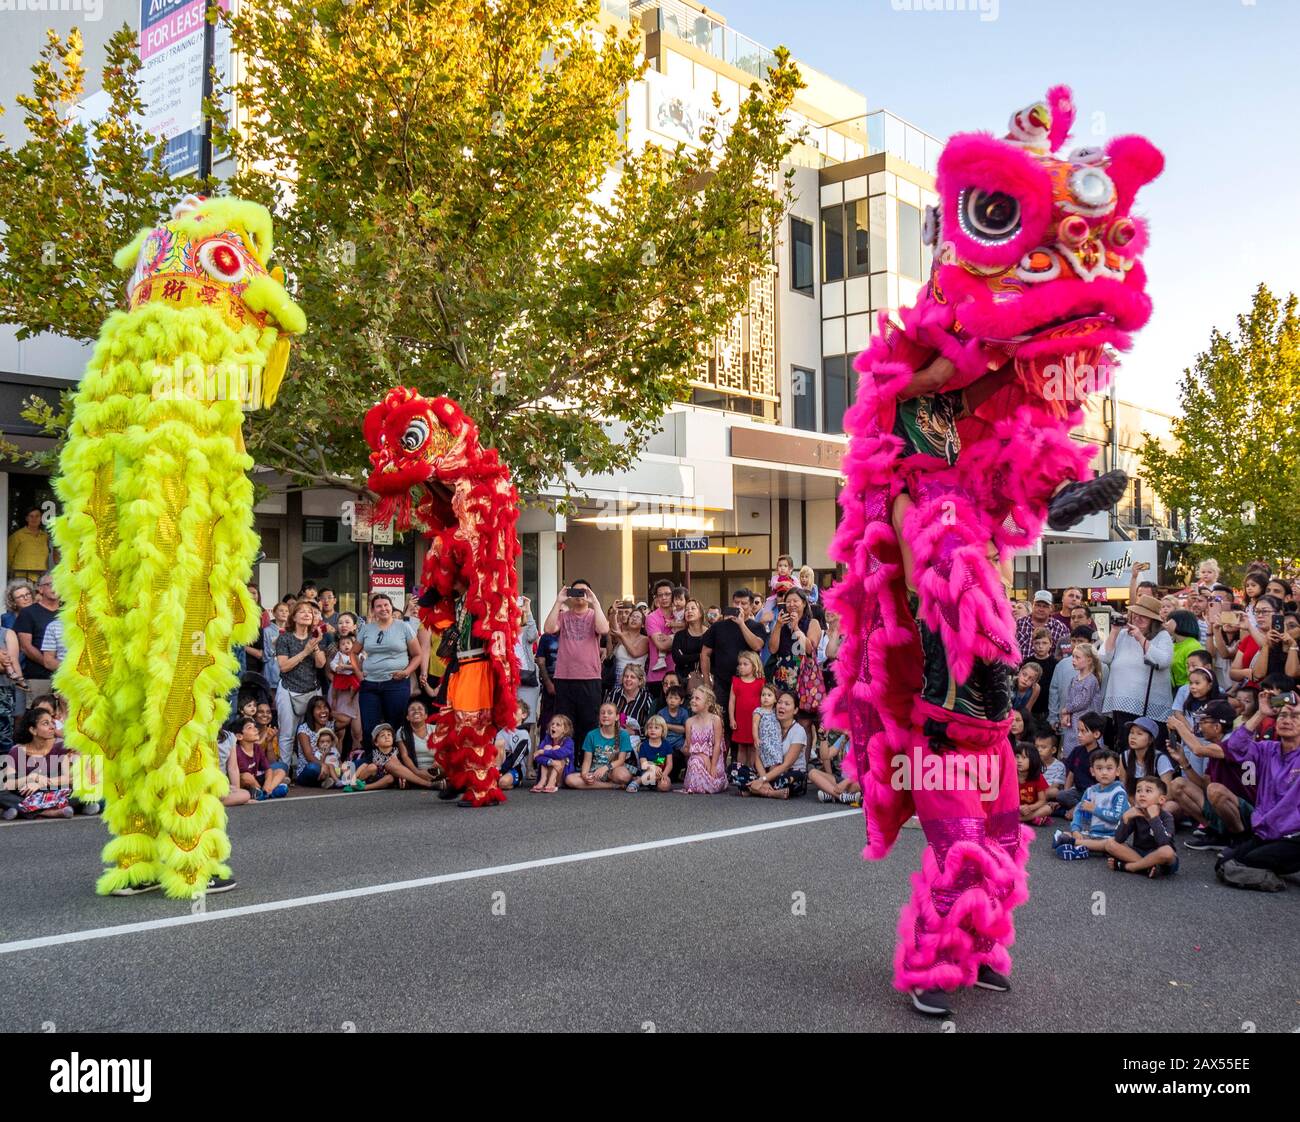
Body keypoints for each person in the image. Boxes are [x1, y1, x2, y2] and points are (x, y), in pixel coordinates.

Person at [1214, 690, 1300, 890]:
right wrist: (1261, 713)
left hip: (1295, 837)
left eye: (1295, 717)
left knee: (1244, 863)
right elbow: (1234, 747)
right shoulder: (1267, 749)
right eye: (1283, 716)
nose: (1287, 720)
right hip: (1267, 832)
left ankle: (1266, 875)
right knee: (1223, 863)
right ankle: (1265, 875)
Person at [1167, 703, 1252, 852]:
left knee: (1215, 790)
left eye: (1204, 722)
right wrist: (1183, 762)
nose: (1200, 725)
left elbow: (1198, 749)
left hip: (1248, 809)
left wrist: (1179, 726)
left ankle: (1241, 838)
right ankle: (1217, 833)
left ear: (1218, 727)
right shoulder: (1216, 746)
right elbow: (1204, 786)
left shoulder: (1232, 742)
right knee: (1178, 784)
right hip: (1226, 804)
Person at [544, 580, 609, 751]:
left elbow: (603, 629)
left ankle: (586, 762)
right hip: (564, 677)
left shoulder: (594, 615)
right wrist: (559, 601)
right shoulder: (564, 616)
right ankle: (566, 760)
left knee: (589, 721)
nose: (580, 595)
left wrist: (595, 602)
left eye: (584, 592)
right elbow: (549, 628)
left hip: (590, 677)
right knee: (565, 722)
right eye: (576, 592)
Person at [1099, 594, 1173, 743]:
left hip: (1148, 705)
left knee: (1151, 750)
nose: (1138, 618)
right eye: (1135, 614)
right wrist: (1114, 631)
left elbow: (1163, 661)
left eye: (1143, 616)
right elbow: (1104, 657)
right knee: (1127, 747)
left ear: (1153, 620)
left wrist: (1141, 638)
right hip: (1121, 703)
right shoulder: (1122, 635)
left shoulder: (1162, 636)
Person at [700, 587, 768, 743]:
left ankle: (740, 765)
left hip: (748, 685)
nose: (739, 607)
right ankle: (721, 764)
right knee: (721, 726)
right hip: (722, 683)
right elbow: (705, 653)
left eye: (744, 603)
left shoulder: (756, 627)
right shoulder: (718, 627)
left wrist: (741, 624)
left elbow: (757, 646)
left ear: (751, 607)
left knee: (744, 725)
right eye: (736, 603)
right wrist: (706, 682)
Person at [356, 593, 421, 751]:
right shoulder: (366, 629)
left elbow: (417, 655)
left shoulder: (403, 627)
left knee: (397, 726)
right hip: (370, 684)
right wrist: (358, 672)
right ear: (373, 610)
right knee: (369, 727)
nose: (383, 608)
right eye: (378, 606)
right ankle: (372, 765)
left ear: (391, 607)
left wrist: (406, 672)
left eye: (386, 605)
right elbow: (353, 652)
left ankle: (398, 764)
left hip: (396, 684)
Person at [275, 602, 328, 767]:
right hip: (288, 689)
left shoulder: (316, 637)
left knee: (316, 732)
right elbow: (283, 666)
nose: (307, 614)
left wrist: (316, 645)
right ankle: (284, 770)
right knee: (287, 734)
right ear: (294, 617)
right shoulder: (285, 637)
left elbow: (320, 664)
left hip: (312, 690)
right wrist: (305, 651)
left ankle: (318, 767)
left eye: (310, 613)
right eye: (302, 612)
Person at [1053, 748, 1129, 856]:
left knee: (1109, 844)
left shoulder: (1119, 793)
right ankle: (1080, 846)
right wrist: (1076, 830)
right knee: (1064, 834)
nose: (1104, 772)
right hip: (1091, 834)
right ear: (1092, 771)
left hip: (1111, 836)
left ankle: (1078, 846)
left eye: (1109, 768)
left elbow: (1117, 816)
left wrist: (1095, 809)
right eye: (1099, 768)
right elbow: (1079, 812)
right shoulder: (1090, 791)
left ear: (1117, 771)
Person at [766, 587, 823, 727]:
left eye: (795, 601)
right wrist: (778, 625)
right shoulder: (781, 624)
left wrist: (796, 627)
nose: (791, 604)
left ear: (804, 603)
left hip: (804, 676)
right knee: (782, 722)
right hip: (783, 677)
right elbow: (772, 649)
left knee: (804, 723)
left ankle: (805, 749)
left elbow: (809, 648)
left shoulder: (812, 623)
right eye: (788, 602)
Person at [1105, 776, 1178, 877]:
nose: (1142, 794)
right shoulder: (1135, 813)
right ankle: (1146, 868)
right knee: (1110, 843)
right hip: (1137, 853)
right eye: (1139, 791)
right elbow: (1119, 839)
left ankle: (1128, 867)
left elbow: (1164, 842)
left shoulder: (1166, 817)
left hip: (1160, 857)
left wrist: (1154, 818)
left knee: (1167, 852)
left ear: (1161, 799)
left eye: (1148, 791)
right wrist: (1125, 818)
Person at [743, 689, 807, 800]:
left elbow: (786, 765)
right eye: (780, 702)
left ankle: (754, 789)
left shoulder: (798, 731)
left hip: (789, 773)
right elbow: (757, 755)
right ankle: (771, 793)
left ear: (795, 710)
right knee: (734, 768)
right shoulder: (767, 723)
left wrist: (762, 780)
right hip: (768, 773)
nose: (781, 706)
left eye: (787, 704)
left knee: (787, 779)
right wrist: (764, 778)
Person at [565, 701, 635, 790]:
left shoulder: (623, 734)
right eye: (602, 713)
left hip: (613, 769)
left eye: (609, 713)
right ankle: (613, 786)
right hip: (595, 771)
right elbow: (587, 760)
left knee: (623, 776)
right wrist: (585, 775)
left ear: (617, 717)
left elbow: (621, 760)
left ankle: (605, 782)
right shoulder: (591, 735)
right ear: (599, 716)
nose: (605, 715)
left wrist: (606, 768)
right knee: (570, 780)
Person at [1120, 717, 1177, 819]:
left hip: (1157, 804)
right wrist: (1137, 806)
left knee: (1171, 806)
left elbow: (1168, 794)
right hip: (1135, 804)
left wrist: (1151, 807)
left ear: (1150, 739)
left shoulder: (1160, 759)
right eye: (1131, 732)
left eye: (1139, 734)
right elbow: (1124, 788)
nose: (1133, 737)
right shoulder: (1124, 757)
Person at [13, 573, 59, 700]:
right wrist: (48, 663)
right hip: (38, 676)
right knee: (38, 716)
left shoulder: (68, 611)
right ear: (40, 589)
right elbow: (26, 647)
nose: (55, 587)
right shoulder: (28, 613)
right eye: (50, 584)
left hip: (66, 677)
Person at [680, 685, 727, 795]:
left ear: (708, 703)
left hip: (714, 759)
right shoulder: (689, 722)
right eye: (692, 698)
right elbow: (689, 747)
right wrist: (702, 755)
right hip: (697, 759)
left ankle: (707, 784)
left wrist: (713, 765)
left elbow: (717, 745)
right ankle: (697, 784)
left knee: (713, 777)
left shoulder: (715, 720)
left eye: (697, 698)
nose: (693, 701)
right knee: (695, 761)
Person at [1059, 641, 1102, 758]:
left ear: (1089, 660)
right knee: (1072, 748)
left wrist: (1067, 709)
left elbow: (1083, 701)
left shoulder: (1091, 680)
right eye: (1073, 657)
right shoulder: (1074, 679)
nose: (1073, 660)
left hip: (1086, 721)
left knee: (1085, 749)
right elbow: (1069, 697)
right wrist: (1066, 714)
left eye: (1077, 657)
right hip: (1074, 722)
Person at [233, 716, 289, 800]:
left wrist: (267, 784)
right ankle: (266, 792)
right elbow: (241, 777)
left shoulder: (257, 747)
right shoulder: (236, 751)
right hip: (245, 784)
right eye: (250, 728)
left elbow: (268, 769)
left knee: (280, 771)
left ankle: (267, 791)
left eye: (255, 726)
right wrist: (258, 785)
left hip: (257, 780)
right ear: (239, 736)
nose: (255, 729)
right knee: (246, 776)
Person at [727, 650, 765, 774]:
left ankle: (752, 771)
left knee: (754, 747)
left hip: (755, 721)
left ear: (754, 665)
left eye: (745, 664)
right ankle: (740, 771)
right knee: (741, 747)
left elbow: (765, 702)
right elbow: (732, 701)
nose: (741, 667)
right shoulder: (736, 681)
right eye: (740, 664)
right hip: (741, 720)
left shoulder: (760, 682)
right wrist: (732, 719)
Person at [644, 579, 680, 702]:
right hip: (657, 676)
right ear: (656, 598)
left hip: (677, 674)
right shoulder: (651, 618)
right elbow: (661, 645)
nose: (664, 598)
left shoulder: (681, 616)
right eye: (660, 595)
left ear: (673, 595)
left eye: (667, 594)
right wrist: (679, 640)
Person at [606, 663, 654, 752]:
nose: (628, 679)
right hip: (611, 736)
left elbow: (651, 725)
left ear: (640, 681)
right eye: (626, 676)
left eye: (632, 677)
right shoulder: (613, 694)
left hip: (636, 741)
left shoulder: (646, 698)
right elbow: (603, 715)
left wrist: (634, 732)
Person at [810, 727, 861, 805]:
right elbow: (825, 756)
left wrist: (846, 782)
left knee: (862, 784)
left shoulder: (865, 740)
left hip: (855, 781)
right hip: (842, 780)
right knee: (812, 773)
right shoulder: (844, 738)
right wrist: (823, 738)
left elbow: (866, 769)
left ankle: (832, 794)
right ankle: (842, 796)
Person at [1016, 590, 1068, 661]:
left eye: (1045, 606)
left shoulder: (1060, 628)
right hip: (1021, 669)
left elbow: (1066, 656)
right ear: (1032, 605)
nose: (1040, 609)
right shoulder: (1018, 624)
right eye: (1038, 605)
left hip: (1049, 670)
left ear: (1051, 608)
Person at [294, 695, 334, 788]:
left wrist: (330, 713)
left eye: (325, 707)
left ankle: (327, 781)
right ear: (311, 712)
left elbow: (346, 720)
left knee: (348, 766)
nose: (323, 710)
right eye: (319, 708)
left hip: (329, 765)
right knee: (313, 768)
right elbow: (309, 756)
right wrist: (322, 765)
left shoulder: (329, 725)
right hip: (308, 769)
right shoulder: (304, 729)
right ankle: (328, 780)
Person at [606, 601, 648, 687]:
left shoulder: (646, 640)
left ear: (643, 624)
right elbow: (614, 630)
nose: (634, 619)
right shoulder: (621, 635)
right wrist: (614, 612)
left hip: (637, 679)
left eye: (638, 617)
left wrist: (621, 635)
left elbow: (634, 653)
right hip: (618, 678)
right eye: (632, 616)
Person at [515, 596, 541, 729]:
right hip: (509, 680)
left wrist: (528, 610)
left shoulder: (525, 631)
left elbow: (533, 635)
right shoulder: (502, 631)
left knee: (525, 721)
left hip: (527, 678)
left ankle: (525, 748)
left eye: (518, 612)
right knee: (509, 721)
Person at [670, 598, 709, 686]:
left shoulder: (710, 633)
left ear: (701, 613)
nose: (689, 611)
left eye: (693, 608)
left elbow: (713, 656)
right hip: (683, 679)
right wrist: (701, 655)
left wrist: (687, 657)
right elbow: (678, 658)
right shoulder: (679, 635)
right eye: (686, 609)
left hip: (706, 679)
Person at [495, 699, 533, 790]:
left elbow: (517, 757)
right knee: (499, 743)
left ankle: (510, 781)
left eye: (515, 709)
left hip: (516, 767)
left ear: (524, 715)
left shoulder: (524, 734)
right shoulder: (501, 732)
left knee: (503, 783)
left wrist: (503, 771)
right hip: (499, 767)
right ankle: (495, 775)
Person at [531, 714, 575, 793]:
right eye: (552, 724)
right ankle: (543, 780)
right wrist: (551, 762)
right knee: (548, 748)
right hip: (548, 771)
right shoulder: (547, 739)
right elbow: (537, 757)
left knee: (557, 750)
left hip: (562, 775)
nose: (553, 726)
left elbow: (561, 754)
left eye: (558, 725)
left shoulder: (569, 742)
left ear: (565, 730)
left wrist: (544, 752)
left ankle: (552, 782)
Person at [7, 508, 50, 583]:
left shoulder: (45, 536)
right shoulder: (17, 535)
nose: (34, 519)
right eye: (31, 516)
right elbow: (8, 556)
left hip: (40, 577)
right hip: (21, 577)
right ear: (27, 518)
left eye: (37, 516)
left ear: (41, 518)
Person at [1015, 743, 1052, 826]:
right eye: (1017, 757)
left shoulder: (1038, 777)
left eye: (1024, 758)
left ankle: (1021, 819)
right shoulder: (1010, 776)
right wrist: (1018, 808)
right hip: (1015, 809)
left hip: (1032, 809)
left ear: (1033, 759)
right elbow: (1006, 799)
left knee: (1048, 809)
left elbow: (1042, 800)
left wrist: (1030, 808)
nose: (1019, 761)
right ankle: (1032, 819)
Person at [635, 714, 673, 792]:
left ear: (663, 730)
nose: (652, 730)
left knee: (665, 786)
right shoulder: (644, 745)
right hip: (648, 773)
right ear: (646, 730)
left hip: (662, 773)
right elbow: (643, 764)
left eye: (656, 728)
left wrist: (664, 774)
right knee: (651, 774)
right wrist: (654, 767)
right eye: (650, 728)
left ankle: (653, 785)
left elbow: (669, 764)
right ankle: (637, 782)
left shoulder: (667, 745)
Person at [1167, 609, 1203, 689]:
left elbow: (1196, 674)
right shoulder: (1173, 643)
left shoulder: (1193, 646)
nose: (1166, 623)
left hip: (1187, 689)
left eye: (1169, 620)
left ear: (1180, 622)